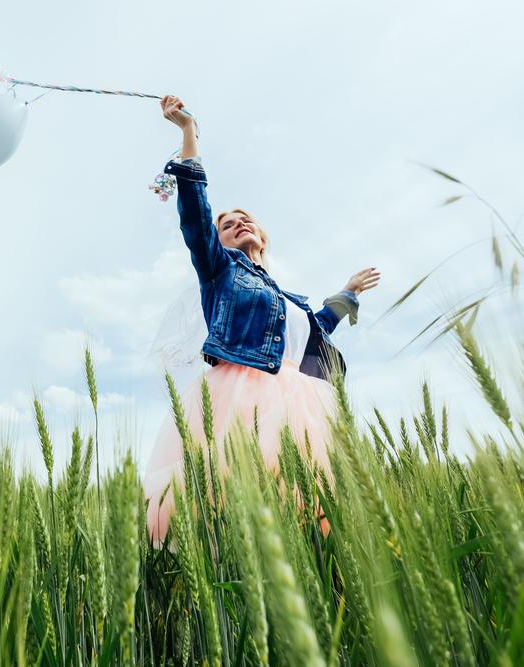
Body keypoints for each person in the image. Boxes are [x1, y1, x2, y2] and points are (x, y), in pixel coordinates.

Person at [144, 95, 381, 545]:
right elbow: (195, 217)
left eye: (244, 218)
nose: (237, 223)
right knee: (237, 505)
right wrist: (189, 133)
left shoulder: (280, 294)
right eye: (227, 222)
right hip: (242, 394)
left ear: (261, 235)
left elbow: (313, 330)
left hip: (303, 401)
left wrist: (348, 292)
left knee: (308, 511)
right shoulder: (219, 270)